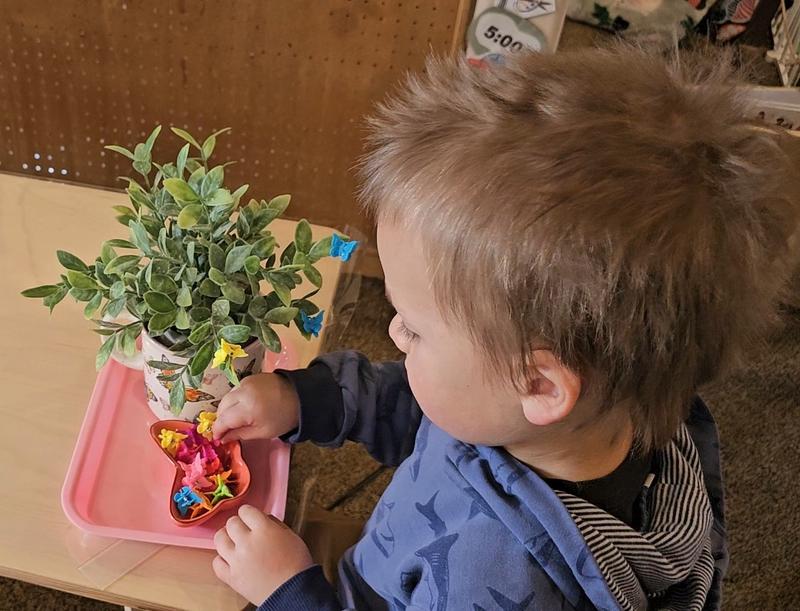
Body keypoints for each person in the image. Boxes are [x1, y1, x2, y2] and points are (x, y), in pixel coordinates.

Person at [208, 44, 800, 610]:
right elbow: (427, 413)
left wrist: (289, 592)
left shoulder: (491, 579)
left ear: (540, 384)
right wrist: (302, 399)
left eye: (414, 328)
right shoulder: (558, 409)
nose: (391, 335)